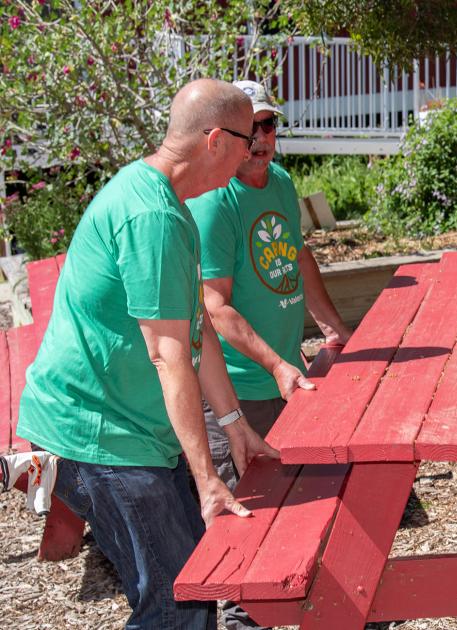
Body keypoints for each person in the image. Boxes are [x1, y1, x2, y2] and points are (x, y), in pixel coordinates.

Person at [16, 79, 279, 628]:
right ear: (214, 140)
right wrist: (206, 478)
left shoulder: (166, 201)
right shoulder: (152, 217)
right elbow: (168, 355)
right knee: (176, 606)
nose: (253, 150)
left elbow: (195, 328)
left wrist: (233, 423)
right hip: (99, 439)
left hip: (125, 435)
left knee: (190, 591)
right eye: (246, 138)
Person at [187, 80, 351, 628]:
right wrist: (278, 364)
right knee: (244, 525)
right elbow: (213, 306)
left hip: (283, 379)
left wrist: (332, 328)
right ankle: (239, 619)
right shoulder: (216, 203)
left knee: (297, 511)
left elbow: (298, 257)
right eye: (250, 128)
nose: (261, 138)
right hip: (235, 392)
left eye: (269, 125)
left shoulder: (280, 182)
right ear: (228, 136)